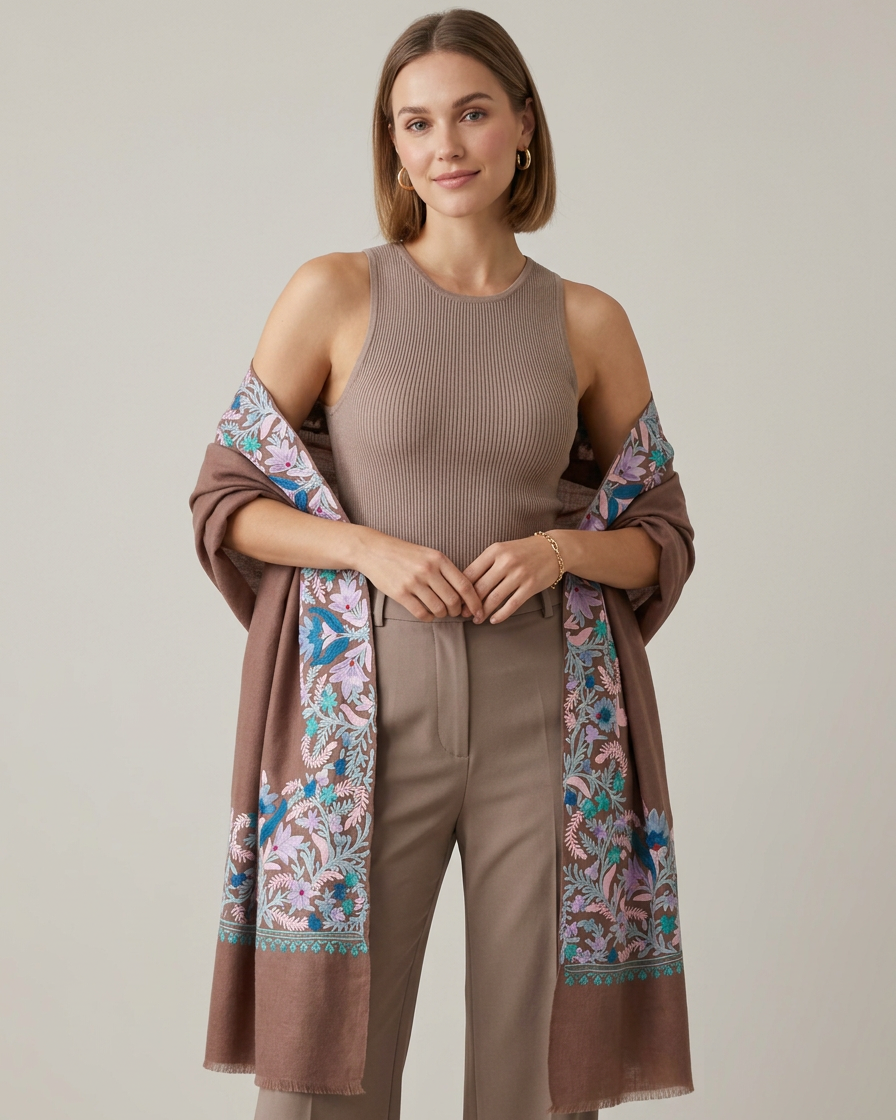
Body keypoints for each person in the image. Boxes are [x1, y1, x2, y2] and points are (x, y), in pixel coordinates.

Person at [192, 9, 695, 1119]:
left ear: (522, 125)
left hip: (547, 714)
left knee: (535, 1072)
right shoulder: (332, 293)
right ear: (391, 143)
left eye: (471, 112)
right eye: (414, 122)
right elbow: (227, 498)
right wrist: (365, 548)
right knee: (327, 1071)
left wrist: (563, 546)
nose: (444, 145)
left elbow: (659, 533)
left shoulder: (586, 320)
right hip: (362, 713)